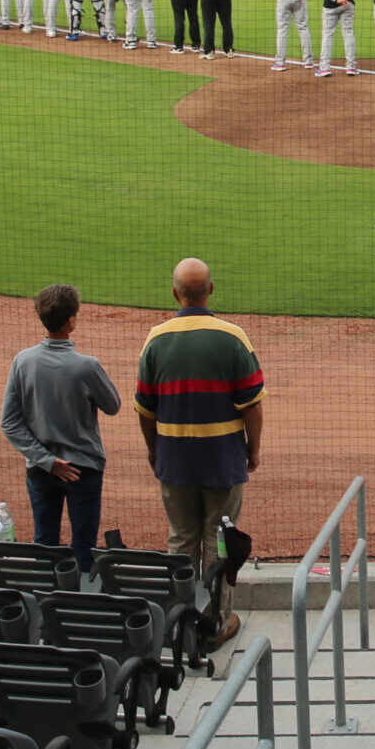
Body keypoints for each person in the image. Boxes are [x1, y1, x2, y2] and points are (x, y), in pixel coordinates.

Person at [133, 258, 264, 622]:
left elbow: (145, 408)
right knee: (220, 542)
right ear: (211, 290)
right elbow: (251, 405)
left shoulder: (155, 339)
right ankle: (216, 620)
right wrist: (252, 450)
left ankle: (181, 622)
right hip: (223, 459)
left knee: (181, 541)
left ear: (175, 294)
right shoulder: (233, 336)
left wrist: (154, 450)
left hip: (174, 460)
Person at [1, 283, 122, 573]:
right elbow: (113, 405)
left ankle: (46, 608)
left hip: (41, 470)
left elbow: (10, 422)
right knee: (83, 547)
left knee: (45, 545)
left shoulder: (23, 362)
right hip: (84, 470)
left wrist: (47, 461)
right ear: (71, 321)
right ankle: (79, 607)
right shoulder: (86, 366)